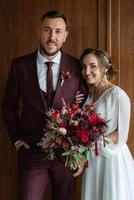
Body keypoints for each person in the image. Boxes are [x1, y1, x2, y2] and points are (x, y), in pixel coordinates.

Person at [2, 10, 87, 200]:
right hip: (31, 152)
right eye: (47, 30)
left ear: (65, 36)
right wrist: (16, 140)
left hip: (66, 154)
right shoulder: (19, 66)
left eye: (58, 31)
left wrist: (81, 152)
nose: (52, 37)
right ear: (39, 32)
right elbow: (9, 106)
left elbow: (83, 111)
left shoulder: (76, 67)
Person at [76, 48, 134, 200]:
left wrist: (93, 143)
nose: (86, 71)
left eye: (92, 66)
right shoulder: (89, 96)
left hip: (110, 160)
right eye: (83, 66)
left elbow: (121, 135)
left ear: (105, 68)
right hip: (93, 160)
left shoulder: (118, 95)